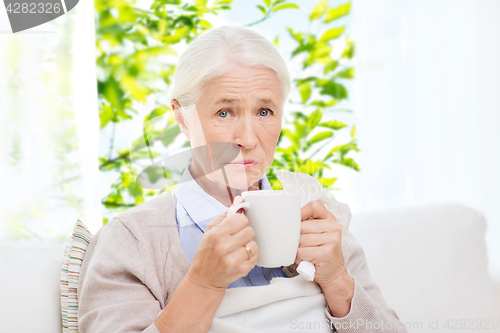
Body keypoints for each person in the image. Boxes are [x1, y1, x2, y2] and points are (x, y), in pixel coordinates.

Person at [78, 25, 407, 332]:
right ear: (181, 117)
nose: (248, 139)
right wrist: (203, 283)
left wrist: (337, 279)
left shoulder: (320, 219)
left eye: (264, 112)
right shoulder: (132, 241)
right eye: (225, 112)